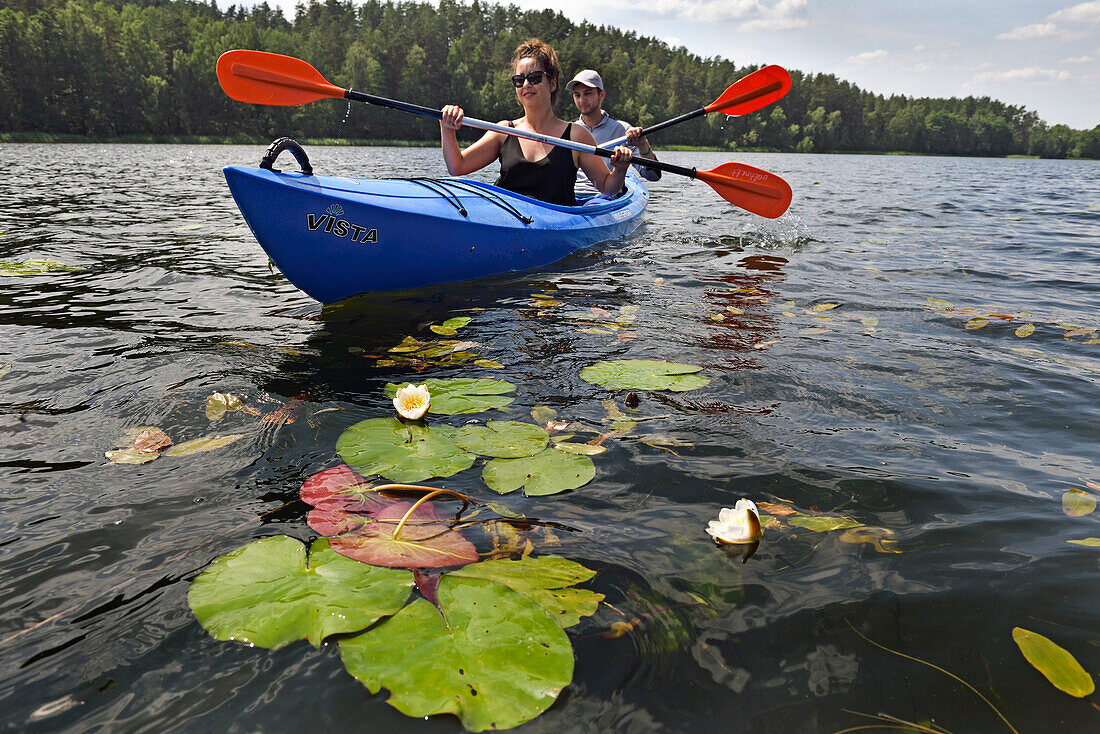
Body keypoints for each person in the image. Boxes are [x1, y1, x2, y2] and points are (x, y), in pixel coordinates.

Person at [439, 39, 634, 207]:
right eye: (519, 80)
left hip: (556, 225)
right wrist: (447, 127)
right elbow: (457, 167)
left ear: (553, 84)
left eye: (534, 78)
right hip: (510, 222)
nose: (526, 85)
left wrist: (621, 168)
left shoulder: (576, 135)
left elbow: (607, 188)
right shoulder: (503, 130)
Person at [567, 69, 661, 201]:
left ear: (602, 95)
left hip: (604, 198)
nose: (582, 100)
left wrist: (643, 145)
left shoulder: (623, 131)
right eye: (577, 95)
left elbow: (653, 176)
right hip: (569, 197)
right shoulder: (568, 131)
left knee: (594, 205)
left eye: (588, 93)